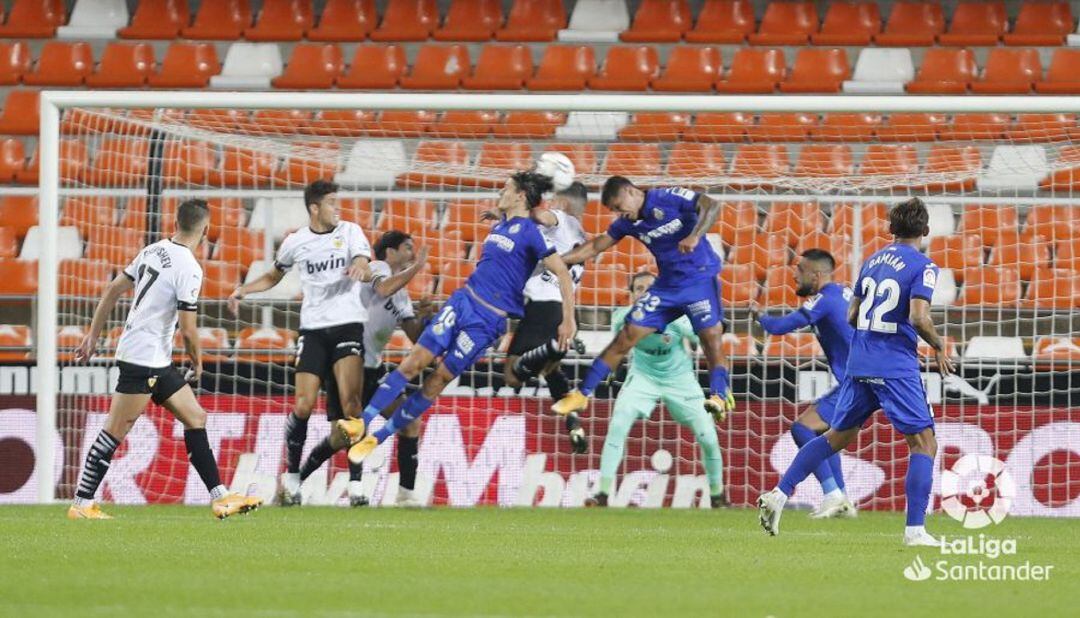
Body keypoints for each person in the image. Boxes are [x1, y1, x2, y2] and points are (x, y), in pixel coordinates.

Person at [756, 197, 955, 547]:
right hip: (895, 366)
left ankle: (779, 493)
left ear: (891, 229)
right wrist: (938, 344)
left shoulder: (872, 260)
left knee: (835, 438)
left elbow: (852, 316)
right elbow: (919, 317)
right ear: (925, 230)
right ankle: (915, 532)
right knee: (924, 443)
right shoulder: (924, 266)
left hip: (860, 364)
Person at [346, 171, 577, 464]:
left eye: (506, 189)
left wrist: (567, 320)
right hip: (463, 302)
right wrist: (500, 213)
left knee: (438, 380)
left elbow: (562, 274)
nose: (500, 192)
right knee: (413, 362)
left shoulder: (530, 231)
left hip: (487, 323)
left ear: (520, 196)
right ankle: (361, 422)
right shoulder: (501, 225)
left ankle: (378, 438)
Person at [69, 199, 261, 520]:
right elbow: (188, 328)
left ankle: (221, 497)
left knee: (195, 417)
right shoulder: (189, 267)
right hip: (144, 359)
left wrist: (93, 335)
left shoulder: (153, 250)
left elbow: (112, 290)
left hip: (152, 358)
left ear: (176, 222)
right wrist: (197, 361)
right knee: (116, 430)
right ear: (206, 229)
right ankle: (82, 503)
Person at [227, 180, 373, 506]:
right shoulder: (296, 241)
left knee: (351, 405)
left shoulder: (350, 231)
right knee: (303, 406)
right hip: (313, 330)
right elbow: (273, 276)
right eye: (332, 203)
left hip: (348, 326)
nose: (339, 208)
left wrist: (360, 267)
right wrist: (244, 290)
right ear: (315, 208)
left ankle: (357, 485)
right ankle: (292, 478)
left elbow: (364, 259)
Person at [552, 176, 735, 422]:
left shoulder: (667, 197)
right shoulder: (628, 223)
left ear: (630, 191)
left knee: (710, 338)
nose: (619, 213)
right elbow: (596, 246)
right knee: (627, 335)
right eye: (615, 210)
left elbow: (711, 205)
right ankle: (582, 394)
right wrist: (556, 261)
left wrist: (695, 235)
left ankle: (719, 396)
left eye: (619, 206)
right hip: (667, 287)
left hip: (699, 281)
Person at [303, 230, 433, 507]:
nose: (412, 252)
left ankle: (406, 494)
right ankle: (347, 487)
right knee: (348, 430)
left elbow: (415, 337)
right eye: (407, 248)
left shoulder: (403, 295)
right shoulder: (376, 269)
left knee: (409, 422)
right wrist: (417, 267)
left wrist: (423, 316)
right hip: (348, 360)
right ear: (390, 252)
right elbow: (383, 289)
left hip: (373, 367)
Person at [586, 271, 726, 508]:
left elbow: (706, 338)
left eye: (649, 288)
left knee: (708, 436)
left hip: (679, 378)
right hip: (643, 376)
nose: (644, 293)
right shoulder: (622, 318)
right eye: (638, 288)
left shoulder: (677, 319)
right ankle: (602, 493)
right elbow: (616, 349)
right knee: (618, 423)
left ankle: (717, 495)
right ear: (631, 294)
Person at [750, 249, 857, 519]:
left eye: (800, 270)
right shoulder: (841, 294)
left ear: (816, 274)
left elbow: (780, 327)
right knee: (827, 437)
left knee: (801, 429)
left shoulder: (825, 299)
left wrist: (759, 316)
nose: (795, 275)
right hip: (859, 380)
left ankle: (833, 494)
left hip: (855, 383)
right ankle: (842, 501)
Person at [502, 181, 589, 453]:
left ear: (563, 204)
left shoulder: (559, 219)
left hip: (543, 306)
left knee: (512, 375)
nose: (548, 205)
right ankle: (573, 421)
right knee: (550, 370)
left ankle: (552, 347)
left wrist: (513, 212)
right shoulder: (580, 236)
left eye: (553, 200)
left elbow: (540, 215)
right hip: (563, 310)